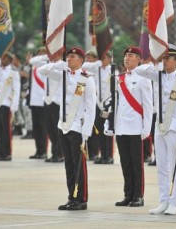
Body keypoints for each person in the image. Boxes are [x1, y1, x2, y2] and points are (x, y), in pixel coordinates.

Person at [135, 44, 176, 215]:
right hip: (159, 126)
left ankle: (174, 202)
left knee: (174, 166)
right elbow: (140, 71)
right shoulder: (158, 75)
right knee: (161, 166)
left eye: (168, 58)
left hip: (173, 127)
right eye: (164, 57)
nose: (165, 60)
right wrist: (155, 61)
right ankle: (163, 201)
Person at [39, 47, 96, 210]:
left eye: (72, 57)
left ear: (81, 60)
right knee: (69, 164)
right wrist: (58, 64)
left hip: (77, 126)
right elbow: (43, 70)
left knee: (79, 164)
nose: (69, 59)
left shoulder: (87, 79)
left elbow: (91, 107)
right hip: (63, 125)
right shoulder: (62, 74)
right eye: (68, 56)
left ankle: (81, 199)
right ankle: (72, 196)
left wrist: (87, 130)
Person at [104, 46, 153, 207]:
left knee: (136, 164)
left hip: (135, 126)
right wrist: (109, 122)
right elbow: (115, 103)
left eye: (131, 55)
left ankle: (138, 195)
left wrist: (146, 128)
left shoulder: (143, 78)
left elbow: (148, 105)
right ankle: (128, 194)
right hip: (121, 126)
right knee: (125, 162)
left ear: (138, 59)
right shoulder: (119, 77)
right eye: (125, 55)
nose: (127, 58)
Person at [30, 50, 64, 163]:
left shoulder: (62, 65)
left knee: (57, 129)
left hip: (57, 101)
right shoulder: (47, 64)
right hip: (47, 100)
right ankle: (54, 153)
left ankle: (59, 153)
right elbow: (32, 61)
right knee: (50, 130)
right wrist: (47, 55)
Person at [82, 51, 115, 164]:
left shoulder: (113, 70)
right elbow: (84, 65)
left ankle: (109, 155)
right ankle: (102, 154)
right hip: (98, 103)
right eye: (102, 58)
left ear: (110, 59)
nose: (104, 60)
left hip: (108, 104)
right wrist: (98, 63)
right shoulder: (96, 68)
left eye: (106, 58)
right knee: (99, 130)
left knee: (108, 130)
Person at [27, 48, 48, 159]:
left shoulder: (46, 65)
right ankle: (38, 150)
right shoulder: (34, 66)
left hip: (43, 100)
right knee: (36, 128)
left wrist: (44, 56)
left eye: (42, 54)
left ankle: (43, 150)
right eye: (39, 53)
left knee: (43, 127)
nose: (40, 56)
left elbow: (32, 60)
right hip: (34, 100)